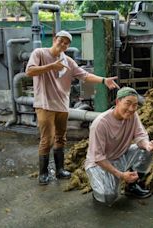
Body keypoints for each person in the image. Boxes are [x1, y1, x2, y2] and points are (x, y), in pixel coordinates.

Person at [26, 30, 120, 185]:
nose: (63, 44)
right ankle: (43, 173)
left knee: (61, 138)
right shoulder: (40, 53)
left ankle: (59, 170)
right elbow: (29, 71)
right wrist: (51, 66)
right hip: (44, 104)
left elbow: (85, 76)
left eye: (66, 43)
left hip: (62, 104)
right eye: (61, 40)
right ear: (55, 39)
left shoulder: (68, 61)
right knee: (47, 139)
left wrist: (104, 80)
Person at [84, 87, 153, 206]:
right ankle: (99, 188)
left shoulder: (133, 116)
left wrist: (147, 145)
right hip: (99, 164)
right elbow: (98, 157)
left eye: (135, 105)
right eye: (128, 104)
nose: (131, 109)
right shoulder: (101, 123)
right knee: (108, 197)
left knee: (147, 150)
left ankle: (133, 185)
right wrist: (121, 175)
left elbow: (140, 135)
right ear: (117, 102)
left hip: (120, 155)